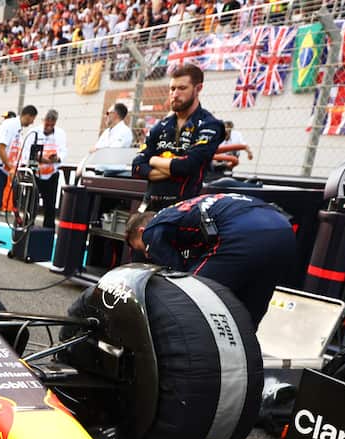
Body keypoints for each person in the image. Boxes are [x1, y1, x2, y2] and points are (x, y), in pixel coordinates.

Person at [126, 192, 296, 328]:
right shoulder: (182, 211)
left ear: (141, 231)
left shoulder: (152, 228)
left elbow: (175, 276)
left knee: (188, 297)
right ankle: (244, 356)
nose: (147, 255)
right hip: (283, 230)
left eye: (141, 248)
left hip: (243, 232)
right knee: (248, 312)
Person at [132, 64, 225, 211]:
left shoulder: (210, 125)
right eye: (172, 89)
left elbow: (188, 166)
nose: (175, 94)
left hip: (183, 211)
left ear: (198, 88)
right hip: (149, 208)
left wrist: (153, 160)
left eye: (182, 88)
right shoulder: (161, 126)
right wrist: (175, 168)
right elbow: (137, 167)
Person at [0, 105, 34, 247]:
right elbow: (1, 149)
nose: (31, 123)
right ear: (28, 115)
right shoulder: (9, 125)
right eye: (32, 119)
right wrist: (11, 167)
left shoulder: (18, 130)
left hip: (6, 169)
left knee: (0, 203)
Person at [19, 109, 67, 230]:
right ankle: (27, 227)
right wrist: (37, 159)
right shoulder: (33, 132)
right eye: (47, 124)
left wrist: (55, 159)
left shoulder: (60, 134)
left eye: (52, 125)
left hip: (51, 174)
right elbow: (25, 153)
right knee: (31, 204)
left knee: (50, 205)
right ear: (43, 121)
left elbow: (63, 151)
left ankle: (49, 231)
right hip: (36, 173)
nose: (49, 127)